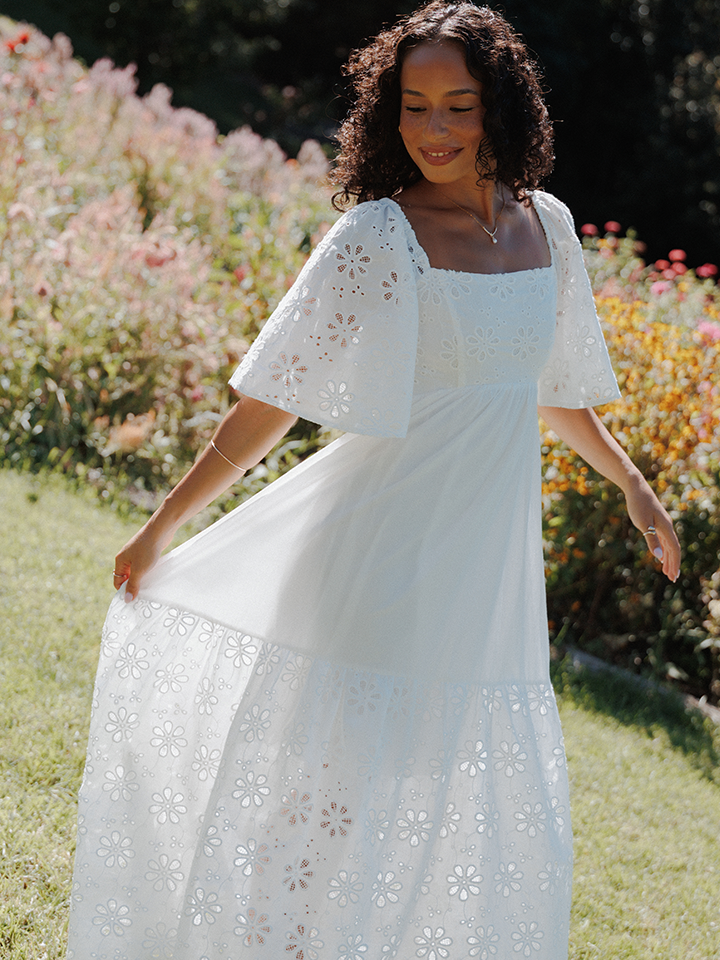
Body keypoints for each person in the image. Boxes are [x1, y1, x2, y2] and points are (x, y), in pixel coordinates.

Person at [66, 2, 680, 958]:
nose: (434, 129)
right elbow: (271, 402)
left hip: (478, 577)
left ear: (502, 106)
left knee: (418, 801)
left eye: (458, 106)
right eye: (414, 105)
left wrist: (633, 486)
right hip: (374, 551)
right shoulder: (377, 235)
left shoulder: (549, 227)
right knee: (323, 807)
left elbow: (549, 391)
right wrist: (162, 527)